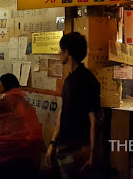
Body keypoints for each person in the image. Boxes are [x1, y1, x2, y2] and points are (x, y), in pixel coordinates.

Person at [46, 32, 100, 179]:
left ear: (67, 51)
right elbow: (63, 111)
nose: (58, 53)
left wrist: (92, 153)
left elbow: (93, 119)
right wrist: (53, 143)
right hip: (64, 146)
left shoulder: (87, 80)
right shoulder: (70, 79)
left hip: (78, 148)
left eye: (60, 49)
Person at [0, 73, 43, 173]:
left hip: (12, 139)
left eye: (0, 83)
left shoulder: (5, 99)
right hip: (30, 139)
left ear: (5, 85)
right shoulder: (20, 98)